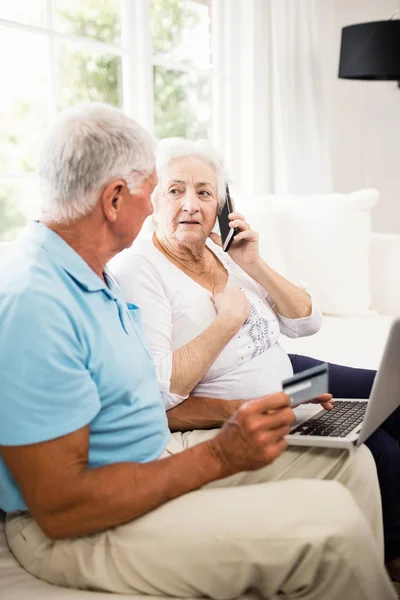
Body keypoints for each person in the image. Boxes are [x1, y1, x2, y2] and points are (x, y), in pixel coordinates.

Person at [0, 104, 396, 600]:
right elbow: (61, 507)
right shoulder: (35, 302)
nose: (162, 209)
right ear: (115, 199)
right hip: (80, 524)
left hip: (153, 458)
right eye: (158, 189)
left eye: (203, 192)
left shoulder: (95, 275)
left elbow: (145, 394)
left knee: (354, 463)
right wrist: (221, 451)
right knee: (333, 528)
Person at [110, 137, 400, 569]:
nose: (191, 204)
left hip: (292, 375)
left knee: (390, 396)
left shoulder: (219, 249)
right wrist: (226, 323)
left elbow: (306, 322)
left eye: (205, 192)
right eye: (176, 190)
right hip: (246, 401)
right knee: (381, 447)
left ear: (221, 204)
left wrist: (253, 263)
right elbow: (158, 392)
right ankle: (389, 560)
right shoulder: (138, 269)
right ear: (153, 199)